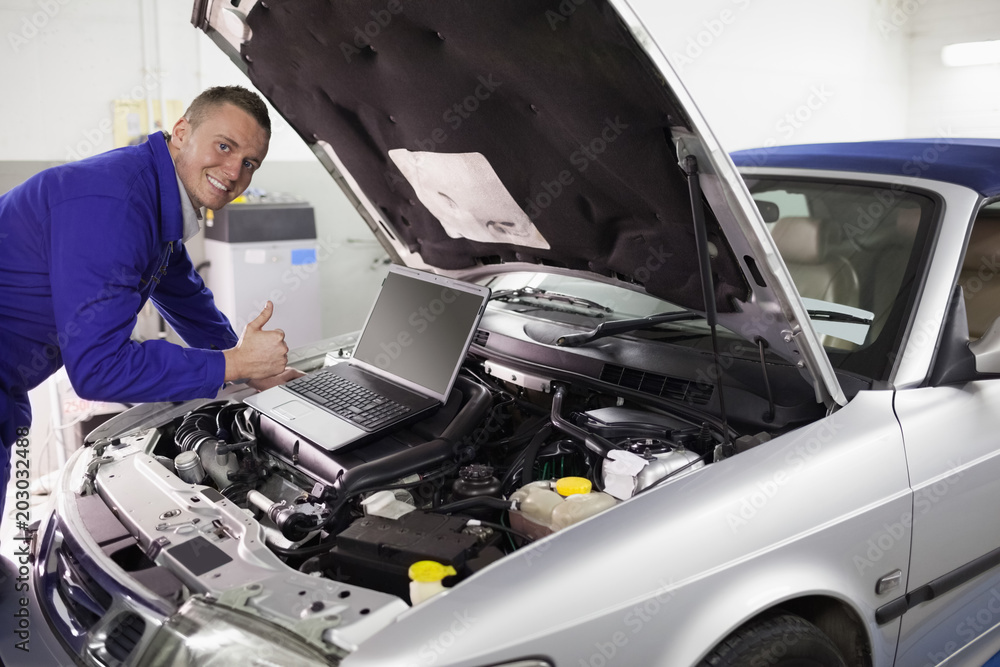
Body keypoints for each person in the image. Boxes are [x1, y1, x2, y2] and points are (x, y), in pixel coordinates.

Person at [0, 85, 294, 521]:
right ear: (181, 133)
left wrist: (254, 373)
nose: (234, 172)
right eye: (224, 146)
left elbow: (188, 299)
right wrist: (234, 366)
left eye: (249, 163)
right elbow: (100, 368)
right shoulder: (116, 206)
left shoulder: (154, 196)